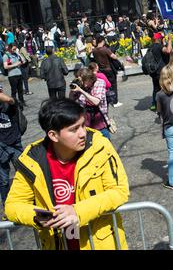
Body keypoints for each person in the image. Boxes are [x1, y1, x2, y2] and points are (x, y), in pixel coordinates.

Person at [5, 98, 129, 250]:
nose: (83, 133)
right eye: (74, 129)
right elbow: (12, 206)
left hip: (99, 243)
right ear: (53, 135)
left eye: (83, 125)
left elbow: (119, 191)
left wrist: (78, 211)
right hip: (57, 243)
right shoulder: (32, 160)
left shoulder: (100, 146)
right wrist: (38, 218)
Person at [70, 68, 111, 139]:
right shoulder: (81, 85)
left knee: (104, 140)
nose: (82, 83)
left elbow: (96, 102)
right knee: (89, 142)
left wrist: (81, 91)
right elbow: (71, 99)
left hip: (99, 118)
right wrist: (72, 90)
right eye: (81, 81)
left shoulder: (99, 82)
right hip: (85, 119)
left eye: (84, 81)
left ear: (90, 79)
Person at [0, 86, 23, 207]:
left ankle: (27, 201)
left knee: (24, 173)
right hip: (0, 147)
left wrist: (3, 97)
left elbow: (13, 101)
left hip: (15, 143)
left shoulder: (9, 103)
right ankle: (6, 205)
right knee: (3, 180)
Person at [92, 36, 122, 108]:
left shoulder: (94, 50)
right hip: (109, 70)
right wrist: (115, 55)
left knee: (105, 86)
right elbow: (114, 57)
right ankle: (115, 102)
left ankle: (106, 100)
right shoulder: (105, 49)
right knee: (113, 85)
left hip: (101, 71)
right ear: (102, 41)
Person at [149, 32, 172, 111]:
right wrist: (169, 40)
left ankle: (155, 105)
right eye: (162, 39)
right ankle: (162, 106)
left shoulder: (150, 47)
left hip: (153, 71)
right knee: (163, 88)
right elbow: (168, 51)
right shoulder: (159, 46)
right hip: (161, 71)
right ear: (159, 39)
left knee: (156, 88)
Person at [2, 43, 25, 108]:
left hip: (19, 74)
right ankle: (14, 103)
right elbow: (5, 67)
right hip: (12, 75)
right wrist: (15, 64)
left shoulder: (16, 54)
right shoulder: (6, 56)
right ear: (10, 48)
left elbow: (23, 61)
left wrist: (19, 54)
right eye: (13, 49)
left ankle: (22, 102)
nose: (14, 50)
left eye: (15, 49)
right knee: (14, 91)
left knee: (20, 90)